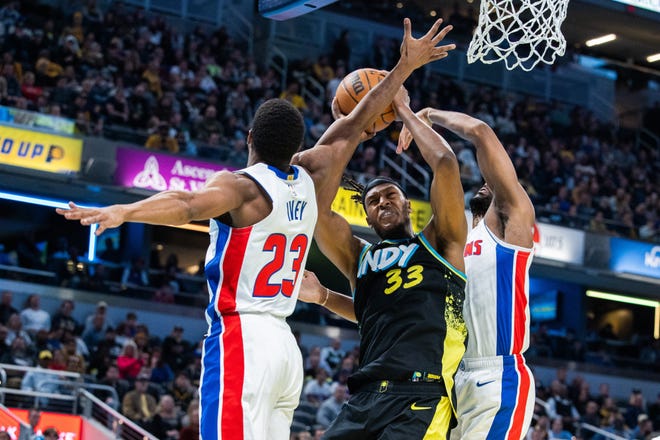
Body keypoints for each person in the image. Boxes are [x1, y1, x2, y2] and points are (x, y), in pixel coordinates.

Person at [57, 16, 452, 440]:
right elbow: (357, 121)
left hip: (242, 337)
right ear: (296, 144)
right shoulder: (313, 174)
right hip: (285, 348)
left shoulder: (241, 187)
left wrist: (125, 212)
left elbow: (186, 204)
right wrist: (405, 68)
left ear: (250, 137)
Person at [297, 58, 466, 440]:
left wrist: (402, 109)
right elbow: (314, 199)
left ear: (409, 205)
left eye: (391, 195)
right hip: (366, 396)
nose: (382, 202)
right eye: (372, 201)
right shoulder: (359, 256)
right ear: (367, 218)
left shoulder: (440, 242)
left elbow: (444, 164)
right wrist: (354, 126)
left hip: (420, 394)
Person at [399, 108, 536, 439]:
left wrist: (427, 114)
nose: (488, 181)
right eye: (486, 180)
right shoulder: (457, 242)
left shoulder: (510, 226)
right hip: (455, 379)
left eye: (496, 181)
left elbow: (481, 132)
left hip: (499, 376)